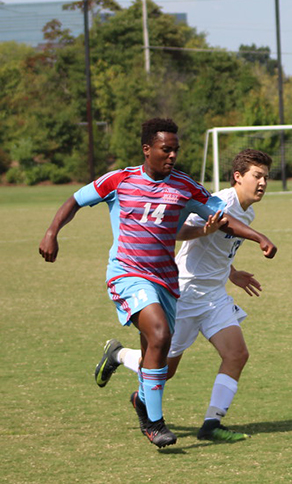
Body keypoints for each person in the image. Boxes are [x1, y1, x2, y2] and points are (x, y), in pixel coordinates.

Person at [39, 118, 277, 448]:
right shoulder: (120, 180)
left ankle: (152, 387)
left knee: (168, 356)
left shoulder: (185, 186)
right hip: (129, 273)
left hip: (168, 281)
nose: (173, 155)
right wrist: (52, 232)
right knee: (160, 337)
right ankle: (154, 422)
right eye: (167, 149)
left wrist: (251, 244)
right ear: (147, 149)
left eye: (176, 150)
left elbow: (220, 218)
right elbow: (76, 200)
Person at [96, 149, 273, 443]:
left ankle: (211, 424)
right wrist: (203, 230)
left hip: (214, 296)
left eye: (266, 177)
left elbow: (218, 250)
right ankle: (118, 354)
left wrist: (233, 272)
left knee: (237, 354)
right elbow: (174, 228)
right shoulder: (219, 202)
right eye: (257, 175)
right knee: (164, 370)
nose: (263, 182)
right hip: (186, 294)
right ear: (238, 177)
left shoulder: (248, 212)